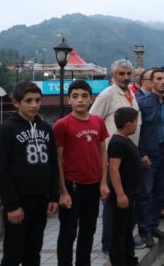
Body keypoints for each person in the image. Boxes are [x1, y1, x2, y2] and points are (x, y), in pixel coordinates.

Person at [0, 81, 59, 266]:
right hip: (19, 200)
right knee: (14, 252)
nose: (34, 105)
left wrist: (53, 196)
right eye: (28, 101)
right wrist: (11, 204)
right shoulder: (6, 130)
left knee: (34, 250)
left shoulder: (45, 128)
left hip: (41, 199)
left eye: (37, 100)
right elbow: (0, 169)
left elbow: (53, 164)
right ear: (16, 103)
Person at [89, 59, 143, 254]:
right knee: (112, 204)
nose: (126, 77)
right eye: (121, 73)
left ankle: (125, 239)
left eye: (128, 73)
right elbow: (93, 122)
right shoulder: (107, 95)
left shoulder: (130, 94)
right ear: (113, 75)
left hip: (130, 154)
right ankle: (108, 245)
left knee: (129, 204)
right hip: (114, 156)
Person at [54, 80, 109, 266]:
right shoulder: (62, 125)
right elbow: (58, 160)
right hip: (72, 186)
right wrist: (63, 192)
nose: (80, 100)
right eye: (75, 96)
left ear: (91, 99)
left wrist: (103, 182)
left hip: (93, 186)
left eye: (84, 96)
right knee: (68, 233)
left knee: (88, 230)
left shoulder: (98, 122)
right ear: (69, 100)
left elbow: (102, 152)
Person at [136, 68, 164, 247]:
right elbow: (137, 131)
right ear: (151, 82)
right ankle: (144, 230)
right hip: (148, 154)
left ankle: (153, 226)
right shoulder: (142, 102)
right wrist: (142, 153)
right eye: (159, 79)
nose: (163, 82)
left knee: (159, 193)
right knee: (145, 194)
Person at [108, 107, 142, 266]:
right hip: (123, 195)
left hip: (132, 193)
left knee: (128, 229)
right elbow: (114, 169)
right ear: (128, 124)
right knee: (119, 231)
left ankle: (130, 259)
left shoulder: (126, 141)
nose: (137, 125)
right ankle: (119, 261)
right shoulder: (117, 143)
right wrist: (120, 194)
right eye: (135, 122)